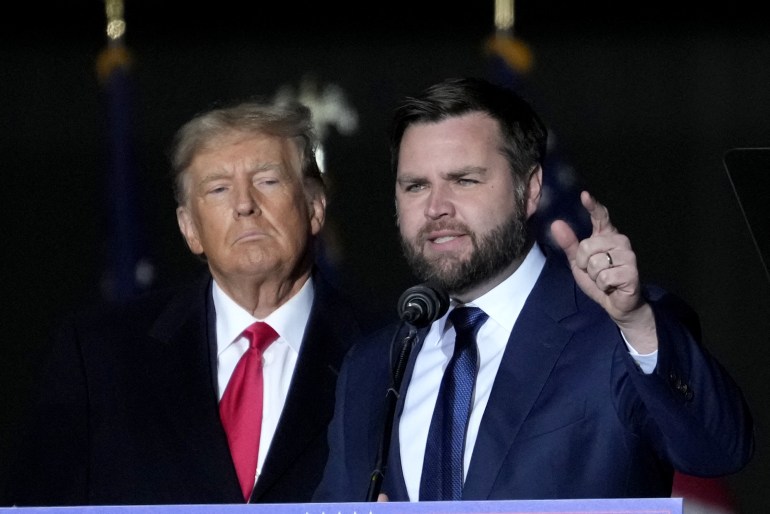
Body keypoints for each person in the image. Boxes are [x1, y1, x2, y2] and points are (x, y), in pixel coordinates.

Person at [313, 77, 755, 502]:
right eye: (416, 186)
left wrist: (637, 322)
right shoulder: (371, 367)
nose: (436, 208)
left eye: (464, 180)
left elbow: (718, 448)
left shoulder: (618, 332)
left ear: (531, 190)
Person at [5, 98, 382, 506]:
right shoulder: (99, 356)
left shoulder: (389, 354)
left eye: (268, 180)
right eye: (218, 189)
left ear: (314, 207)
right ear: (190, 229)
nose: (244, 204)